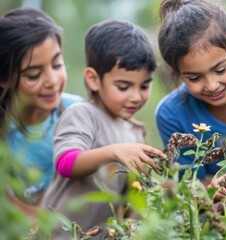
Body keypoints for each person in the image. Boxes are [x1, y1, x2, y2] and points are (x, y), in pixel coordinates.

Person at [40, 19, 166, 237]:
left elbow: (129, 199)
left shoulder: (135, 132)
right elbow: (65, 163)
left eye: (144, 85)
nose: (136, 96)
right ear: (94, 80)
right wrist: (113, 152)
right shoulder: (83, 114)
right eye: (123, 86)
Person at [155, 0, 226, 185]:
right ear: (178, 73)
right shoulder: (171, 114)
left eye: (220, 70)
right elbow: (191, 184)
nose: (212, 86)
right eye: (194, 78)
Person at [0, 7, 82, 216]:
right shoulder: (6, 135)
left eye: (57, 64)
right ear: (5, 79)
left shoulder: (76, 112)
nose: (52, 81)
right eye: (34, 75)